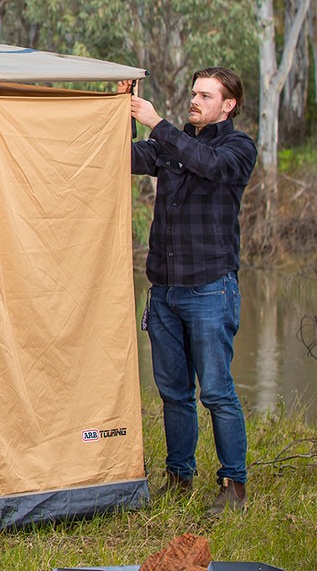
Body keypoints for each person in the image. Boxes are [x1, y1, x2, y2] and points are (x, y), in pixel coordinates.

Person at [118, 68, 257, 516]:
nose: (194, 100)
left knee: (216, 392)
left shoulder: (238, 148)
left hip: (210, 291)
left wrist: (156, 122)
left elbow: (207, 164)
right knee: (174, 393)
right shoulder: (171, 144)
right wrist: (118, 112)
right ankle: (179, 479)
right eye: (193, 93)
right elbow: (123, 156)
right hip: (164, 294)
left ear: (228, 104)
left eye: (204, 95)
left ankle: (233, 488)